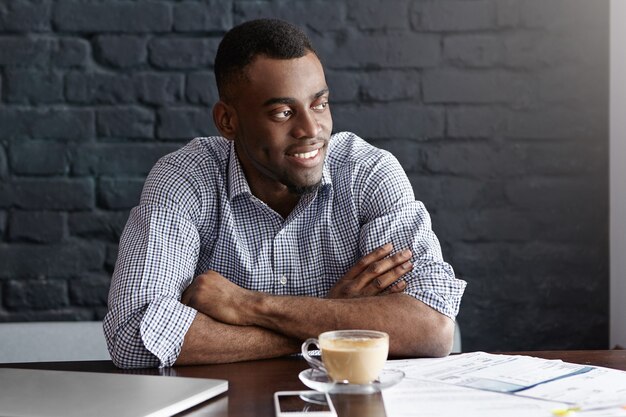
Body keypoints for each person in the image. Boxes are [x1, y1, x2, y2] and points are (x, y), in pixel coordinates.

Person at [103, 18, 466, 369]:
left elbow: (432, 329)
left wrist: (250, 306)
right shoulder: (186, 178)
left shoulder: (367, 173)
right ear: (228, 121)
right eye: (282, 112)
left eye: (319, 104)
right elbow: (133, 334)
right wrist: (329, 320)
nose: (311, 129)